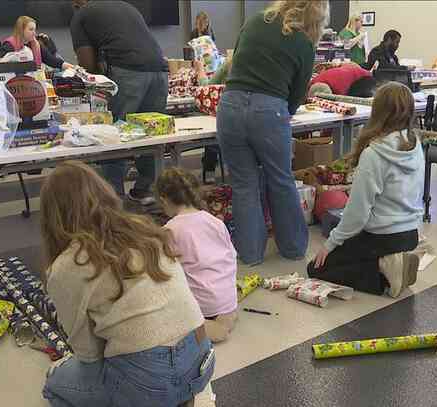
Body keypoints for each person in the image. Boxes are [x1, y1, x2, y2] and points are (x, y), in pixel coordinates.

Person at [40, 161, 214, 407]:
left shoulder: (66, 266)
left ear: (52, 217)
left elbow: (89, 354)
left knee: (55, 384)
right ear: (105, 192)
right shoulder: (145, 228)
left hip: (147, 379)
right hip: (201, 360)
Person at [217, 0, 329, 265]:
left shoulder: (255, 21)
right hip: (269, 110)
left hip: (230, 105)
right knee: (280, 180)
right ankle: (292, 249)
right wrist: (282, 112)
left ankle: (250, 255)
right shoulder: (303, 42)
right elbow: (298, 94)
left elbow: (233, 66)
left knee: (243, 184)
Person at [309, 82, 423, 298]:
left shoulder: (374, 153)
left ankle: (383, 271)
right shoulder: (414, 143)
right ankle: (390, 261)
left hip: (383, 235)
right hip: (411, 233)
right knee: (351, 252)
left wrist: (330, 244)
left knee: (316, 268)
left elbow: (357, 215)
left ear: (377, 111)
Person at [70, 0, 169, 205]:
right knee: (148, 131)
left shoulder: (81, 15)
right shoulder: (126, 6)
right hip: (160, 70)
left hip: (127, 72)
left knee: (113, 133)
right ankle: (145, 190)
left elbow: (87, 64)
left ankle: (112, 197)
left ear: (76, 3)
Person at [156, 168, 238, 343]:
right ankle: (222, 320)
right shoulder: (215, 221)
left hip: (201, 305)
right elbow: (231, 256)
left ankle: (202, 327)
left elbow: (164, 273)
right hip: (227, 300)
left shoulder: (170, 230)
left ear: (164, 200)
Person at [0, 16, 73, 71]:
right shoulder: (8, 45)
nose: (34, 33)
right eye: (31, 29)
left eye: (35, 30)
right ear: (21, 30)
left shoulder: (36, 45)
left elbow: (52, 60)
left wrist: (74, 68)